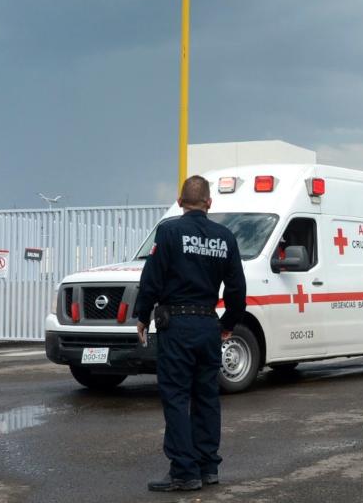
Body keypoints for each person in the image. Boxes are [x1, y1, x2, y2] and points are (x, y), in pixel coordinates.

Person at [134, 175, 246, 492]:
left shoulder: (169, 231)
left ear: (180, 201)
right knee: (207, 397)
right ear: (209, 203)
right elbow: (237, 289)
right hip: (208, 325)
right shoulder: (225, 237)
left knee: (176, 397)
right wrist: (228, 324)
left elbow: (152, 277)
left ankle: (184, 472)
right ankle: (207, 466)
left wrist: (142, 316)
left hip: (178, 327)